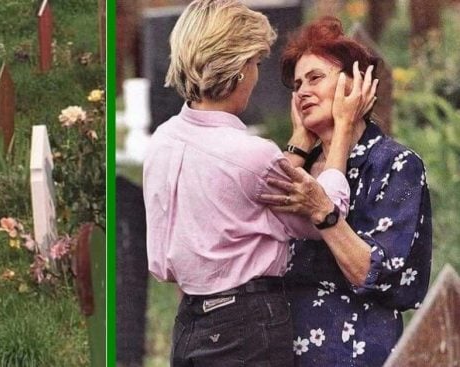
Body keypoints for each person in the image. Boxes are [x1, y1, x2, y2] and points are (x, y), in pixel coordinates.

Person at [142, 1, 376, 366]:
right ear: (237, 71)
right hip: (245, 324)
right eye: (255, 63)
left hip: (191, 321)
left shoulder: (162, 141)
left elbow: (245, 187)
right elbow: (322, 213)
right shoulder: (250, 154)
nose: (256, 75)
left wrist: (297, 146)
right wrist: (342, 131)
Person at [259, 16, 432, 366]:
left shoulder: (396, 165)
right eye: (297, 85)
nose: (302, 91)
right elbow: (256, 222)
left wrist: (326, 215)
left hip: (354, 350)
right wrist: (298, 145)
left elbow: (378, 274)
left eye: (315, 78)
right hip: (283, 349)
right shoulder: (301, 167)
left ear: (356, 87)